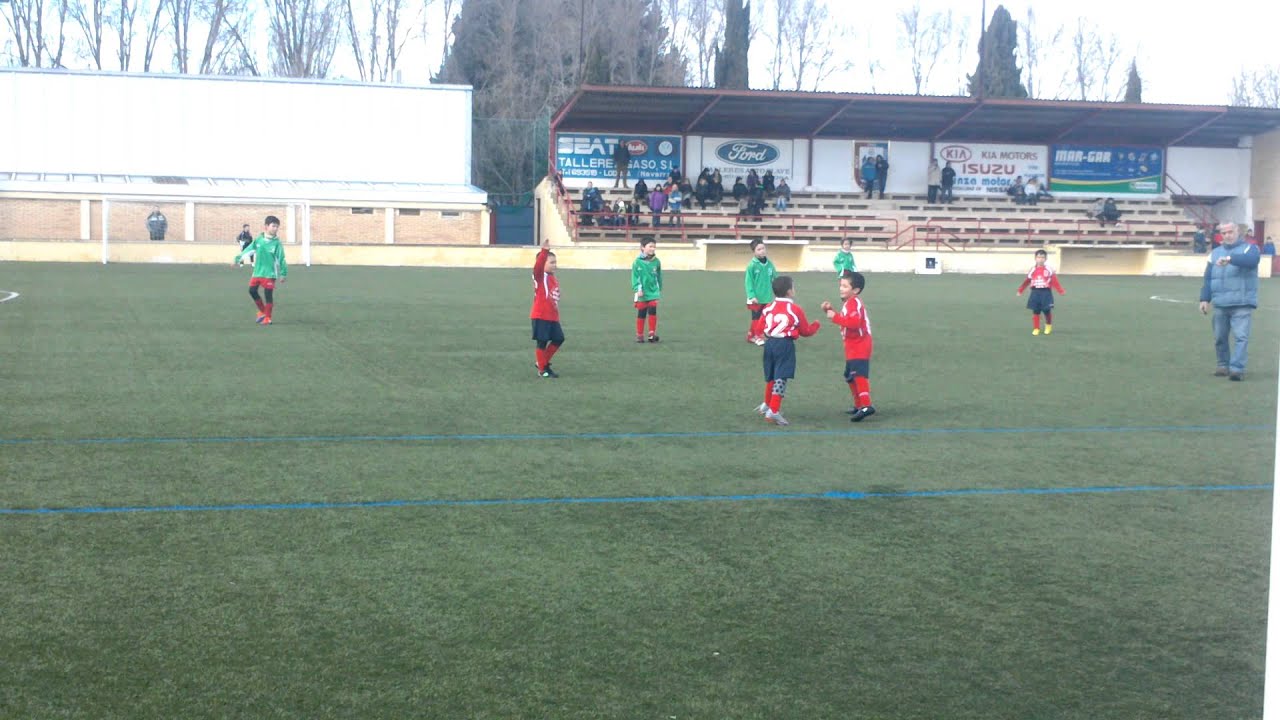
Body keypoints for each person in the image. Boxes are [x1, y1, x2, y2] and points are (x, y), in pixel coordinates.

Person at [751, 275, 821, 426]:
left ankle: (767, 404)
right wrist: (816, 325)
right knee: (781, 377)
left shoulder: (768, 307)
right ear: (789, 292)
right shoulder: (795, 309)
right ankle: (773, 411)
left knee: (771, 375)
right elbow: (805, 331)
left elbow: (758, 329)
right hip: (785, 345)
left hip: (769, 344)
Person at [1199, 222, 1260, 381]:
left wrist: (1230, 259)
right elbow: (1208, 278)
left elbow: (1252, 261)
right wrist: (1205, 298)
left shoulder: (1250, 249)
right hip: (1220, 303)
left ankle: (1237, 369)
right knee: (1220, 337)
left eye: (1230, 232)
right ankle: (1222, 366)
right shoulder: (1214, 253)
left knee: (1241, 337)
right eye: (1224, 233)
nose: (1227, 235)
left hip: (1242, 303)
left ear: (1238, 232)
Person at [822, 270, 875, 422]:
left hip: (860, 344)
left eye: (845, 286)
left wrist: (835, 317)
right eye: (841, 285)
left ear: (855, 290)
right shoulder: (849, 303)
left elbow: (854, 323)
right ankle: (859, 405)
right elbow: (846, 319)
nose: (841, 288)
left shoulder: (855, 303)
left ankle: (866, 406)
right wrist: (830, 310)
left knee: (858, 375)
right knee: (849, 375)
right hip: (852, 344)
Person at [232, 215, 288, 326]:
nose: (275, 228)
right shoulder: (258, 240)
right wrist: (238, 259)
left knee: (268, 295)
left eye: (277, 227)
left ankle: (268, 318)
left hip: (269, 274)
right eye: (273, 226)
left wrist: (283, 273)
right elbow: (248, 250)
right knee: (252, 291)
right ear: (266, 226)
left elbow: (281, 258)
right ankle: (263, 312)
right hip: (257, 272)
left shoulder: (277, 243)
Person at [530, 239, 564, 378]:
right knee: (542, 342)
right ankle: (542, 370)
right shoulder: (540, 276)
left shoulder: (552, 277)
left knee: (559, 338)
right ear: (543, 263)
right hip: (541, 315)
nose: (554, 265)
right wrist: (544, 251)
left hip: (552, 315)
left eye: (555, 262)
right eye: (551, 262)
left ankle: (542, 362)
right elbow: (537, 267)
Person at [1016, 249, 1066, 336]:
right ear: (1035, 258)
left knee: (1047, 310)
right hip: (1035, 292)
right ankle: (1036, 328)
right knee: (1036, 311)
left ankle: (1048, 326)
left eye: (1043, 257)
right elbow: (1027, 281)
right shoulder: (1033, 269)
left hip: (1046, 292)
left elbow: (1054, 281)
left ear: (1046, 259)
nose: (1040, 259)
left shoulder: (1049, 269)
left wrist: (1060, 290)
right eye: (1039, 257)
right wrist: (1021, 290)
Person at [744, 239, 777, 346]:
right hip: (755, 298)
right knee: (756, 318)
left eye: (763, 248)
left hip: (767, 297)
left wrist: (779, 290)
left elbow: (775, 278)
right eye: (759, 249)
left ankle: (751, 336)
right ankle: (758, 336)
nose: (762, 251)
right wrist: (751, 296)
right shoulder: (751, 265)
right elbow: (748, 282)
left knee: (765, 317)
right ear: (754, 251)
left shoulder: (770, 264)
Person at [631, 238, 662, 343]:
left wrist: (658, 291)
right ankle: (639, 335)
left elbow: (659, 277)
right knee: (642, 312)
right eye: (650, 246)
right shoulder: (637, 262)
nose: (652, 249)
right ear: (643, 248)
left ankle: (651, 334)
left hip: (653, 291)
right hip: (642, 292)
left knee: (653, 309)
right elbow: (635, 277)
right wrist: (637, 289)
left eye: (654, 247)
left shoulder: (657, 261)